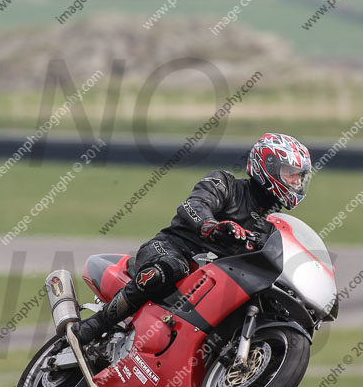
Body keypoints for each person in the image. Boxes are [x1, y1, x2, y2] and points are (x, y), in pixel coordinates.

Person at [72, 132, 312, 345]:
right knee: (168, 269)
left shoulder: (272, 227)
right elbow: (192, 206)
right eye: (291, 174)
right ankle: (93, 326)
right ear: (268, 166)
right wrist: (212, 226)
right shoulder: (226, 184)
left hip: (209, 285)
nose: (296, 182)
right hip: (171, 248)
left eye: (300, 177)